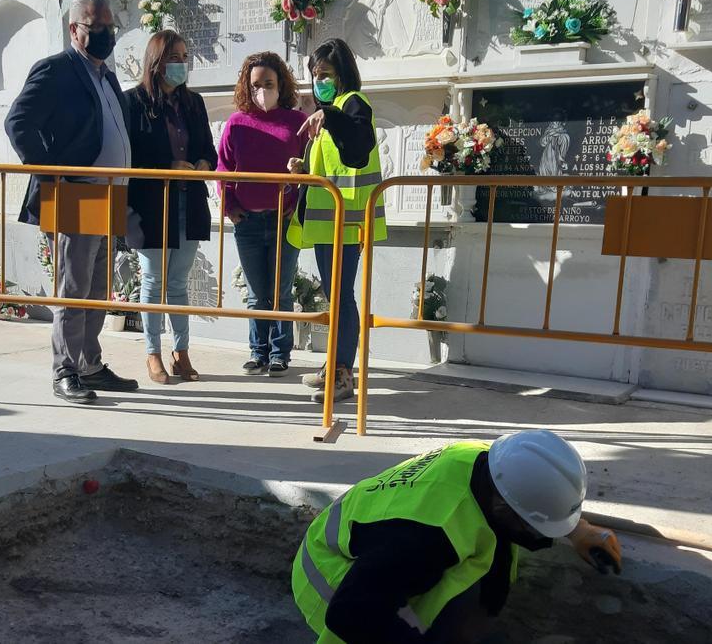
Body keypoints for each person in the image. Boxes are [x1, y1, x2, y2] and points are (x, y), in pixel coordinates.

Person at [292, 429, 623, 643]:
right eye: (537, 527)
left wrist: (578, 529)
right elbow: (350, 615)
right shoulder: (424, 540)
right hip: (331, 583)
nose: (539, 537)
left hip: (376, 549)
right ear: (504, 506)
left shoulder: (492, 459)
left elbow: (531, 490)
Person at [4, 0, 139, 405]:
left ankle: (90, 364)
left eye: (110, 27)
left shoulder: (107, 75)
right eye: (96, 26)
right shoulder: (55, 70)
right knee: (72, 287)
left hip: (108, 195)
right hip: (74, 192)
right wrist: (53, 175)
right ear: (74, 29)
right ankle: (64, 369)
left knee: (98, 287)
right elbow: (18, 123)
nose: (104, 34)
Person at [287, 39, 386, 403]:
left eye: (325, 75)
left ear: (343, 74)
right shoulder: (330, 111)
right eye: (315, 75)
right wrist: (303, 167)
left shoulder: (351, 104)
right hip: (330, 223)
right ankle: (336, 367)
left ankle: (343, 372)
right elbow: (332, 163)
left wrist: (329, 116)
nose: (319, 81)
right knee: (336, 297)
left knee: (341, 299)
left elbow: (359, 144)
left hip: (347, 221)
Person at [122, 31, 217, 384]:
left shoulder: (193, 102)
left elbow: (209, 148)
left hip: (187, 202)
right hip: (149, 205)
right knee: (152, 280)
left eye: (184, 56)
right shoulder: (132, 102)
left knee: (178, 282)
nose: (181, 63)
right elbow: (129, 155)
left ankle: (182, 352)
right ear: (156, 61)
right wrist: (168, 166)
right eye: (174, 57)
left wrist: (205, 164)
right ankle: (152, 354)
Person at [217, 52, 308, 377]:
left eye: (268, 83)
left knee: (281, 291)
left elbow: (308, 168)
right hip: (249, 223)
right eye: (256, 84)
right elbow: (223, 168)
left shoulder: (297, 122)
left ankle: (281, 354)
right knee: (257, 294)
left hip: (284, 220)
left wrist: (298, 205)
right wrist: (230, 207)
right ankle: (258, 352)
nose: (262, 90)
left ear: (280, 84)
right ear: (247, 86)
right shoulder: (237, 124)